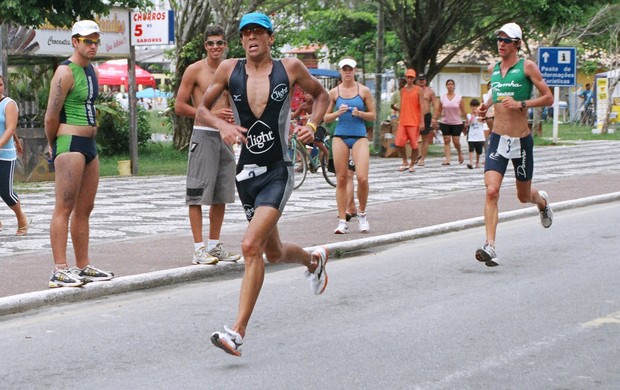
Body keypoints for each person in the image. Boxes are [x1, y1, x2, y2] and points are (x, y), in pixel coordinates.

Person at [194, 12, 330, 356]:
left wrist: (312, 126)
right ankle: (314, 262)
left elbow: (322, 97)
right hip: (246, 174)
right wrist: (221, 126)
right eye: (246, 33)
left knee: (251, 246)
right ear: (241, 40)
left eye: (258, 32)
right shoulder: (229, 70)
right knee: (273, 252)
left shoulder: (291, 68)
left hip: (278, 170)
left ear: (270, 38)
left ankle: (236, 332)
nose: (252, 38)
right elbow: (201, 110)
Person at [475, 22, 554, 267]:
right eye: (499, 39)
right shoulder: (494, 68)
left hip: (521, 140)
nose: (501, 44)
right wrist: (486, 105)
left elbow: (548, 97)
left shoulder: (527, 67)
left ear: (517, 44)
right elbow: (494, 91)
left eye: (507, 40)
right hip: (498, 138)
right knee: (491, 190)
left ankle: (541, 202)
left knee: (523, 196)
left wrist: (522, 105)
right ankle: (490, 246)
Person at [44, 20, 114, 287]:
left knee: (85, 209)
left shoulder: (91, 70)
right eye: (87, 41)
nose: (93, 45)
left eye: (96, 40)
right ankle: (59, 269)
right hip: (69, 143)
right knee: (64, 207)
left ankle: (82, 265)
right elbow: (51, 114)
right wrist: (52, 143)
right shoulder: (65, 72)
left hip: (89, 146)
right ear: (75, 42)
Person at [175, 25, 241, 265]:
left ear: (225, 46)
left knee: (221, 194)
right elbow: (180, 106)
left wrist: (233, 118)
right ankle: (198, 248)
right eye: (211, 43)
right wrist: (210, 116)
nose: (215, 47)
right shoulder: (195, 70)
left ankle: (214, 245)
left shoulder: (231, 70)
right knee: (197, 194)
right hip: (203, 135)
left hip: (225, 137)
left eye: (220, 43)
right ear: (205, 46)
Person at [324, 57, 376, 234]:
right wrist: (338, 112)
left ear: (355, 71)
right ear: (340, 71)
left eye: (350, 69)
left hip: (359, 136)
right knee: (341, 178)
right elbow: (326, 118)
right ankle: (341, 220)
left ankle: (362, 213)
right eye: (344, 69)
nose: (347, 72)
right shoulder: (333, 93)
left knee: (362, 178)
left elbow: (373, 115)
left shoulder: (364, 91)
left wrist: (360, 113)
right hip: (340, 136)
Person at [0, 75, 30, 236]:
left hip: (5, 154)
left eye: (0, 84)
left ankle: (21, 219)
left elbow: (10, 128)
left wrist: (13, 142)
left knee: (6, 191)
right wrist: (17, 141)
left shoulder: (9, 104)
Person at [394, 69, 423, 172]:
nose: (409, 79)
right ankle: (405, 161)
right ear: (405, 78)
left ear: (414, 78)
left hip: (414, 121)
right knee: (399, 142)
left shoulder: (418, 90)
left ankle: (412, 164)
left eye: (411, 77)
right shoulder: (403, 91)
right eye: (408, 77)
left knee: (414, 144)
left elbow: (422, 106)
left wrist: (422, 122)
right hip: (403, 121)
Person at [434, 79, 467, 165]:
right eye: (448, 84)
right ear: (446, 86)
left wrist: (467, 120)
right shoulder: (442, 97)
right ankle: (447, 159)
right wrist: (434, 119)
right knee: (446, 140)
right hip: (445, 122)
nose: (450, 86)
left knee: (456, 141)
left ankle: (459, 152)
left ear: (454, 86)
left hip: (457, 122)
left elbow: (463, 110)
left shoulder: (459, 98)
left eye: (451, 84)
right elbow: (438, 110)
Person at [417, 73, 439, 166]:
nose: (422, 81)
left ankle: (422, 158)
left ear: (426, 81)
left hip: (426, 115)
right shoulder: (414, 90)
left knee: (425, 137)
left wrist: (434, 117)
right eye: (420, 79)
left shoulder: (430, 91)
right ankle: (417, 155)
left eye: (423, 79)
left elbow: (435, 104)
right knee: (414, 137)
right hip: (415, 116)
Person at [464, 98, 487, 169]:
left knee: (479, 150)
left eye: (476, 106)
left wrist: (479, 115)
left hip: (480, 136)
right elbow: (466, 124)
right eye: (473, 106)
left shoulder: (481, 115)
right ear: (470, 107)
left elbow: (484, 122)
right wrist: (472, 117)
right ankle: (470, 162)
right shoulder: (468, 115)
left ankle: (477, 162)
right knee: (471, 149)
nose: (475, 108)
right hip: (471, 136)